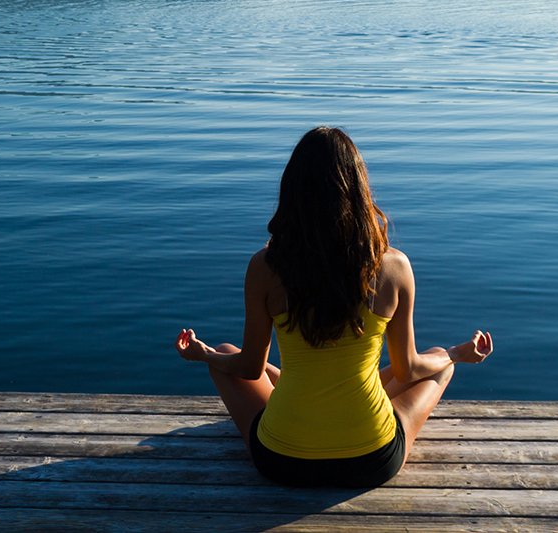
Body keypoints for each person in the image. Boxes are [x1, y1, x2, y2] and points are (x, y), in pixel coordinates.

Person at [175, 126, 493, 487]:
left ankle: (299, 397)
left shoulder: (265, 267)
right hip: (372, 460)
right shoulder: (394, 267)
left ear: (292, 192)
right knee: (438, 362)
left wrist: (203, 355)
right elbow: (408, 371)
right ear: (359, 191)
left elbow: (249, 368)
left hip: (281, 459)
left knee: (225, 355)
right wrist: (457, 353)